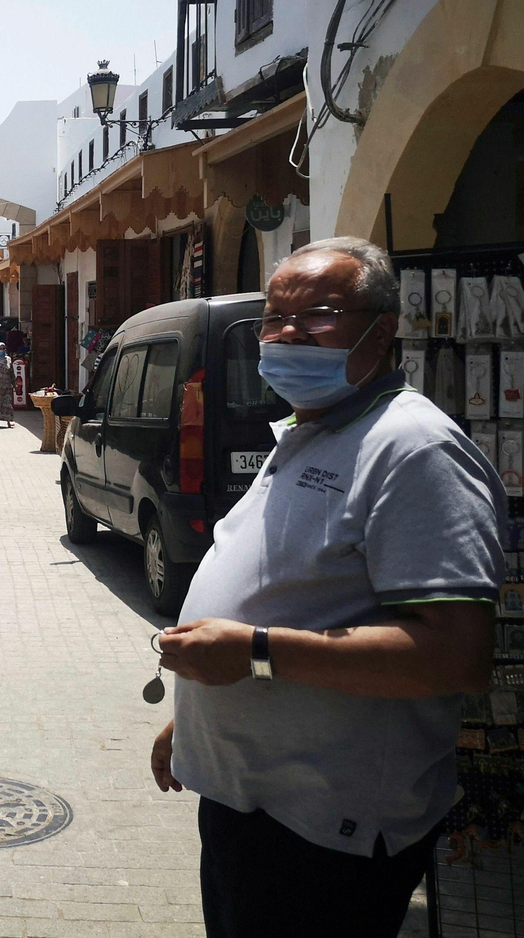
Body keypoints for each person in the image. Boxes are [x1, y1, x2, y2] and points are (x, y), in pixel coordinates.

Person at [151, 238, 503, 938]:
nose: (286, 334)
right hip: (246, 803)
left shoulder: (413, 448)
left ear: (384, 327)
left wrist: (251, 653)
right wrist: (193, 722)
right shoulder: (310, 431)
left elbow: (453, 653)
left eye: (319, 315)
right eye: (274, 318)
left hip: (323, 834)